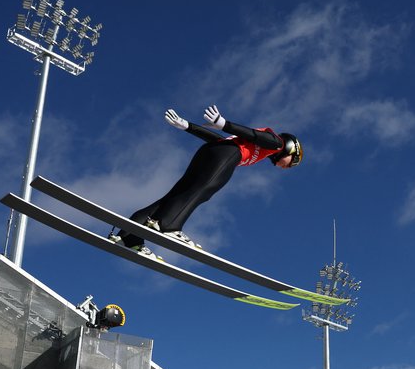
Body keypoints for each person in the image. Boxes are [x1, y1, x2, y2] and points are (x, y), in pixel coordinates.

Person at [112, 105, 303, 259]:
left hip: (212, 151)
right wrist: (224, 123)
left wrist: (189, 126)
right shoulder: (275, 142)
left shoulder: (263, 150)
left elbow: (220, 140)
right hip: (227, 155)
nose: (286, 167)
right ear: (290, 149)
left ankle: (128, 237)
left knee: (177, 194)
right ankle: (169, 226)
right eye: (291, 163)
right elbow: (252, 134)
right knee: (203, 190)